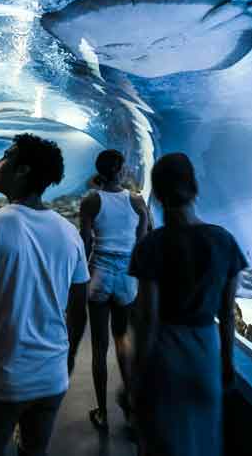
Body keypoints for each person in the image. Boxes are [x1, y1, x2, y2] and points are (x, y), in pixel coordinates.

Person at [0, 133, 90, 456]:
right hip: (52, 378)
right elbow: (79, 307)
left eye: (6, 156)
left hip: (0, 380)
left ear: (23, 170)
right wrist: (66, 361)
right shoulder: (70, 234)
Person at [128, 153, 245, 456]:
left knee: (161, 442)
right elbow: (228, 315)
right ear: (194, 188)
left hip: (164, 353)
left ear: (157, 195)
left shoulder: (150, 246)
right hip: (205, 353)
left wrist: (137, 375)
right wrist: (227, 364)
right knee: (203, 441)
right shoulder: (224, 242)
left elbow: (147, 319)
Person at [76, 149, 149, 430]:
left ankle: (103, 413)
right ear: (122, 170)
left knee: (98, 347)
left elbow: (84, 243)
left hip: (99, 274)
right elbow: (142, 244)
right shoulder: (137, 201)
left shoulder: (91, 200)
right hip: (126, 278)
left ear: (98, 171)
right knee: (122, 340)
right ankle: (131, 410)